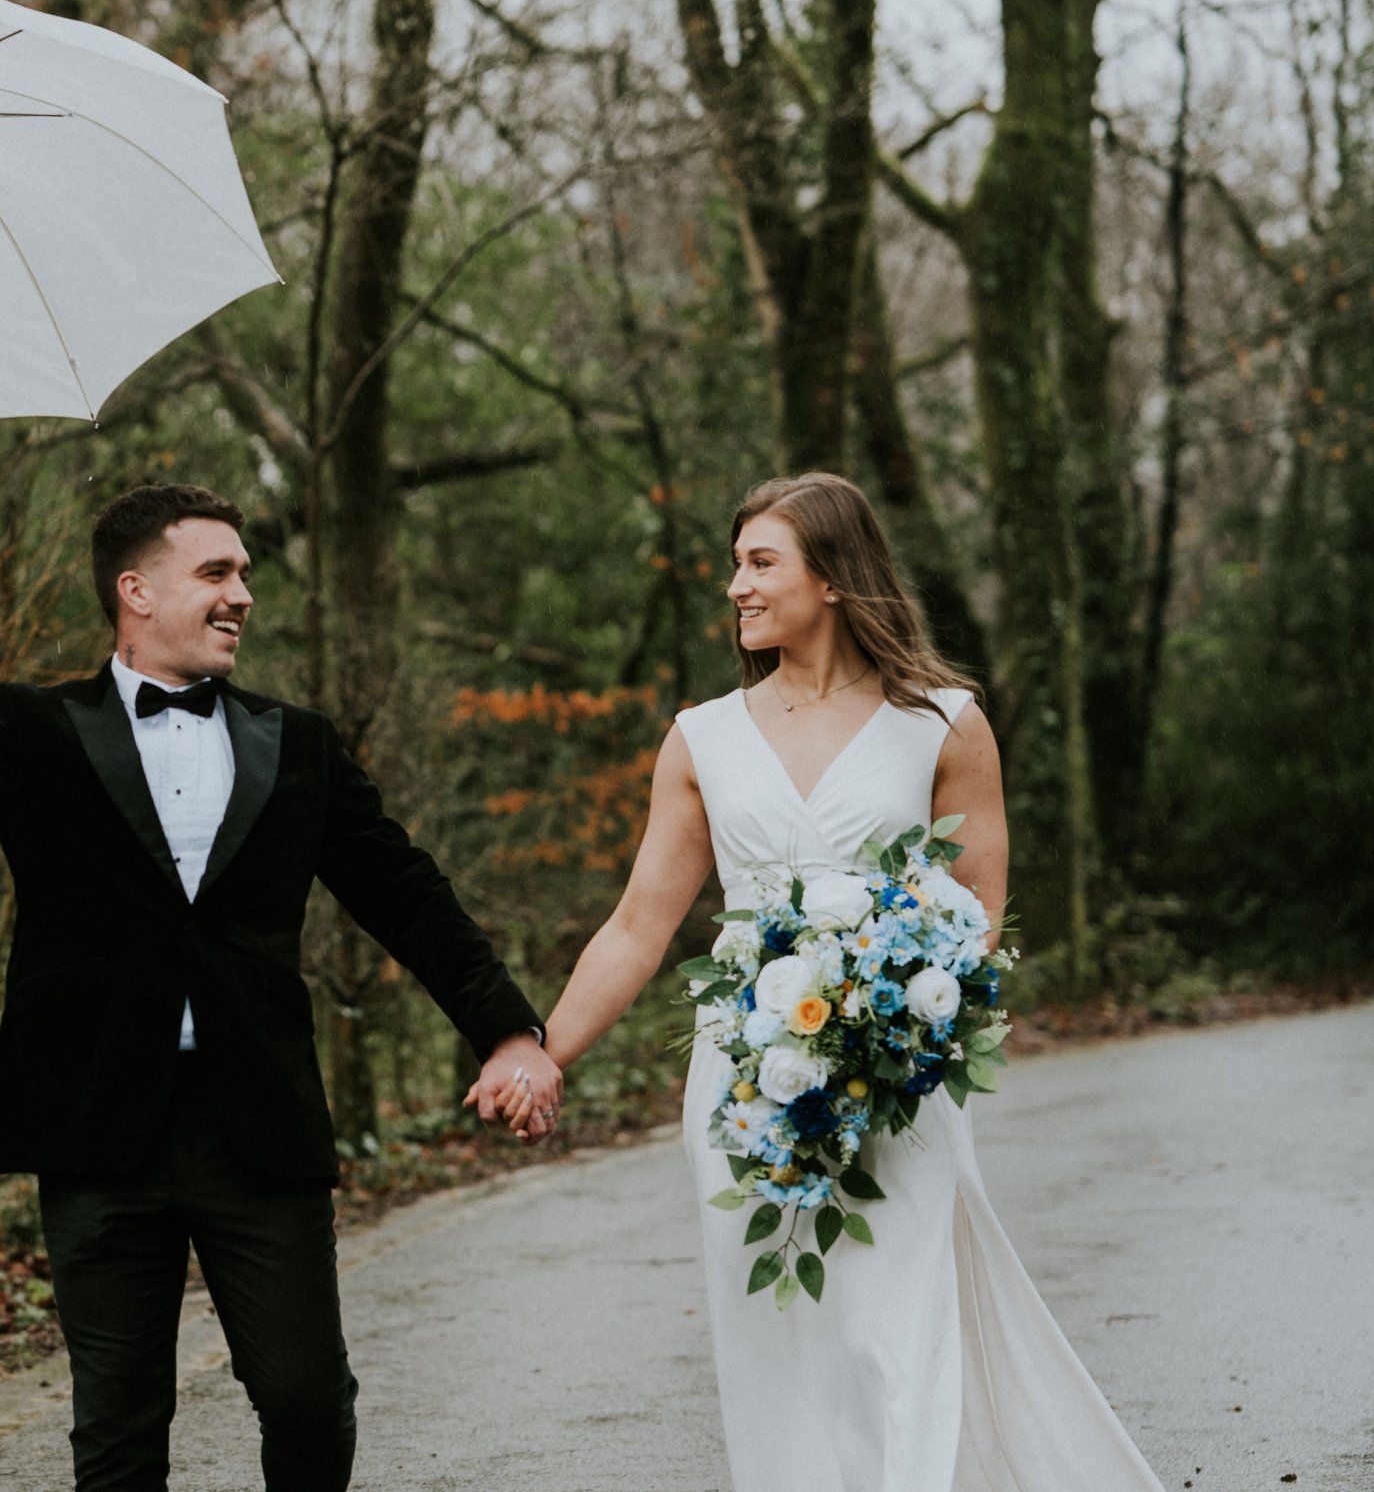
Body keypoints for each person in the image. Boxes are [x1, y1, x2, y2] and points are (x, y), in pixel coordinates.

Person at [0, 481, 561, 1492]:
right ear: (135, 589)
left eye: (244, 572)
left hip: (258, 1121)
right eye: (216, 571)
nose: (242, 592)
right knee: (118, 1422)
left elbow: (406, 894)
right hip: (95, 1122)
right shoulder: (35, 727)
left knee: (303, 1395)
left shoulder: (299, 743)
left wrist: (505, 1031)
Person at [480, 471, 1167, 1492]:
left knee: (890, 1336)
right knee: (780, 1348)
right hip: (745, 1084)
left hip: (893, 1078)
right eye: (733, 564)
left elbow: (978, 923)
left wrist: (888, 1024)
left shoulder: (943, 723)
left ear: (836, 577)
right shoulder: (700, 738)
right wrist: (541, 1050)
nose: (735, 588)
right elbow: (636, 926)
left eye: (761, 563)